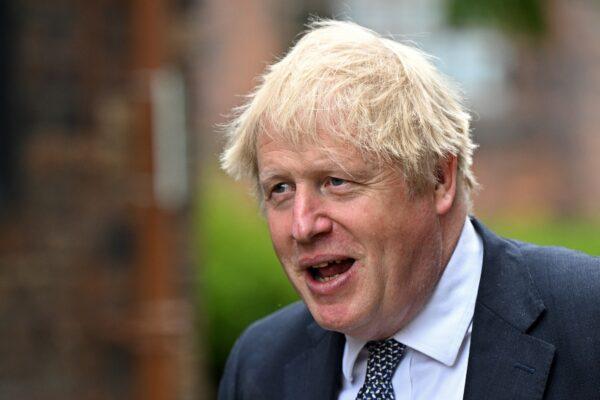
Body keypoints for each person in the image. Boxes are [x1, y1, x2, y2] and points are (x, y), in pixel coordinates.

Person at [217, 20, 600, 400]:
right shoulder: (259, 364)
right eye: (280, 188)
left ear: (438, 178)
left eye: (336, 181)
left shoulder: (586, 319)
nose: (303, 226)